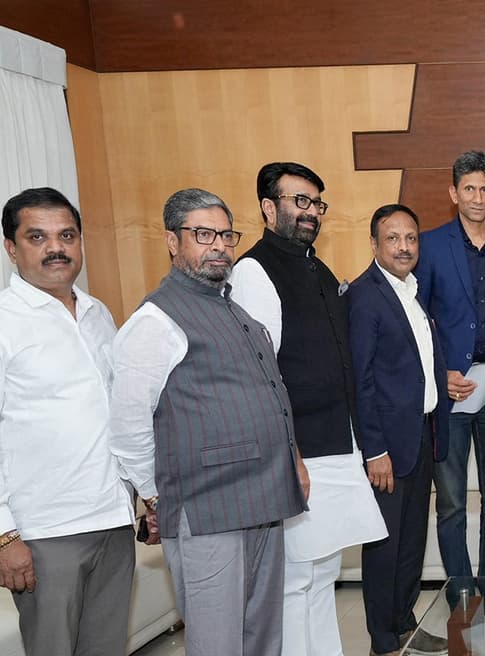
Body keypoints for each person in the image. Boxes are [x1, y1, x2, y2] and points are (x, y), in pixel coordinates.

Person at [110, 188, 308, 656]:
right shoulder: (156, 320)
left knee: (262, 634)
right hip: (206, 507)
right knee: (218, 641)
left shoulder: (235, 309)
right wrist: (155, 494)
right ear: (172, 242)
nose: (219, 245)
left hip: (263, 497)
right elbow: (128, 424)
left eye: (225, 234)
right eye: (203, 234)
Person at [229, 162, 386, 656]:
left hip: (336, 445)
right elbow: (259, 376)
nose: (311, 212)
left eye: (316, 203)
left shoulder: (316, 266)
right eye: (300, 201)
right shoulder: (253, 271)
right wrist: (287, 454)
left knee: (324, 574)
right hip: (298, 455)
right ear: (267, 207)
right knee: (295, 579)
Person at [0, 187, 136, 656]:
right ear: (11, 248)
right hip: (44, 532)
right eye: (37, 237)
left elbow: (119, 415)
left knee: (106, 648)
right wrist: (4, 533)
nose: (55, 248)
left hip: (113, 520)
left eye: (66, 235)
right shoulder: (5, 321)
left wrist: (144, 492)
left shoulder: (99, 314)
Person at [416, 150, 485, 623]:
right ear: (453, 193)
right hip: (452, 391)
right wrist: (440, 374)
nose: (477, 197)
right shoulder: (432, 245)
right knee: (451, 502)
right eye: (469, 189)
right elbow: (419, 318)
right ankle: (462, 591)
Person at [348, 204, 452, 656]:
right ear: (374, 244)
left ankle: (405, 624)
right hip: (388, 449)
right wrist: (374, 451)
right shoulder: (365, 296)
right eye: (393, 238)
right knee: (385, 549)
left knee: (412, 543)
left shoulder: (412, 290)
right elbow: (361, 379)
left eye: (411, 237)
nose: (404, 246)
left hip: (422, 437)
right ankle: (382, 640)